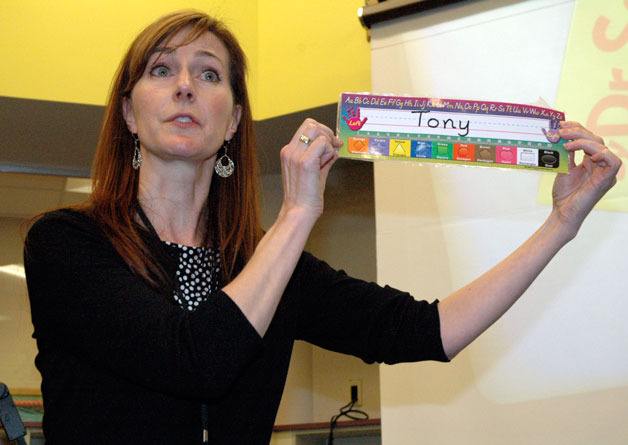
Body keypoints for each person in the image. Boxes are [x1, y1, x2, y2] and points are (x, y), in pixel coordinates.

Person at [23, 10, 621, 445]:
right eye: (162, 70)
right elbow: (195, 358)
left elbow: (431, 331)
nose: (184, 84)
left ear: (233, 121)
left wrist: (561, 223)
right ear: (129, 112)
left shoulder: (267, 266)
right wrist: (298, 212)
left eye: (208, 74)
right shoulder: (67, 244)